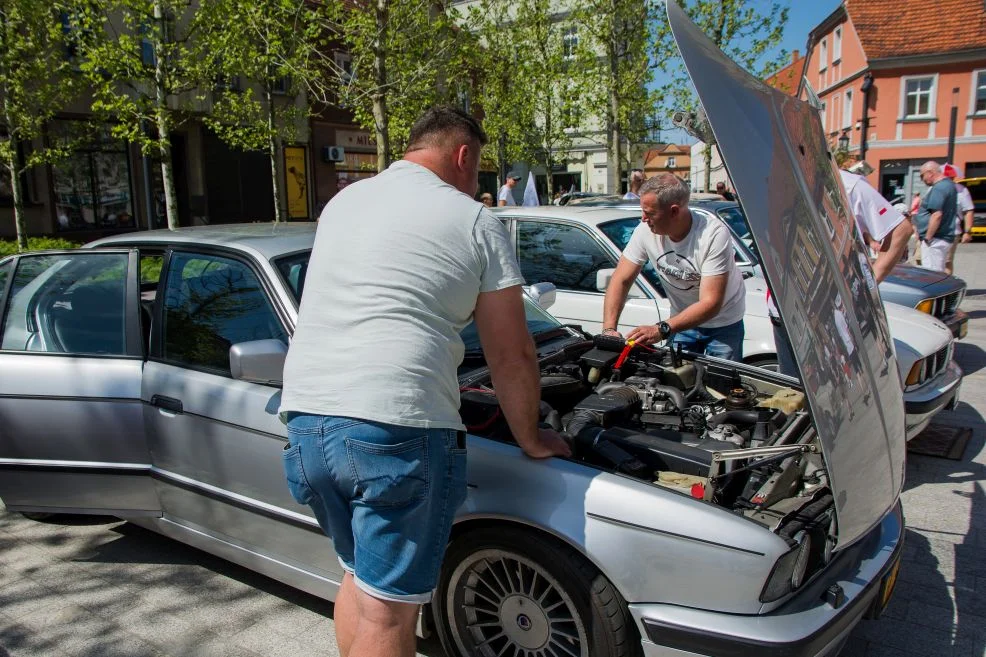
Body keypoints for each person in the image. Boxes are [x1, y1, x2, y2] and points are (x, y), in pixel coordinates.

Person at [279, 106, 570, 657]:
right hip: (395, 429)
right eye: (477, 167)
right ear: (463, 156)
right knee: (390, 616)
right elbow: (512, 353)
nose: (476, 180)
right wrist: (531, 438)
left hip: (306, 423)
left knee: (360, 582)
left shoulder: (344, 201)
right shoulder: (475, 220)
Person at [769, 169, 910, 377]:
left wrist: (870, 280)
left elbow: (901, 229)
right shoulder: (777, 184)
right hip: (783, 310)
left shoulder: (847, 184)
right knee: (793, 387)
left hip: (825, 310)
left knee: (837, 380)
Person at [603, 173, 747, 361]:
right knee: (674, 381)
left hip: (723, 324)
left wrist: (661, 329)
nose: (643, 218)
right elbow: (621, 279)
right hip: (680, 323)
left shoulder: (713, 234)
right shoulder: (645, 231)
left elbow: (710, 302)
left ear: (674, 211)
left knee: (720, 386)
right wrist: (608, 330)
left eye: (650, 213)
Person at [913, 161, 957, 272]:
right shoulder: (949, 185)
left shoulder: (939, 188)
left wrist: (928, 238)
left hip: (935, 240)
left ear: (930, 173)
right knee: (938, 272)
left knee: (932, 275)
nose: (922, 179)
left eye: (922, 175)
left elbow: (936, 215)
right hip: (941, 237)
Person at [943, 163, 974, 275]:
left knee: (947, 261)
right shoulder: (933, 188)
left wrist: (967, 232)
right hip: (932, 232)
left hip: (952, 232)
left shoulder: (961, 190)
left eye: (950, 177)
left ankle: (945, 288)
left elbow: (969, 211)